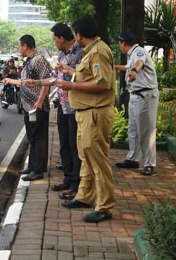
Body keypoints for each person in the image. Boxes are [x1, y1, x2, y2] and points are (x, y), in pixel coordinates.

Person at [54, 16, 116, 223]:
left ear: (79, 35)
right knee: (86, 158)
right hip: (85, 113)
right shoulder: (91, 52)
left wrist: (71, 86)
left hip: (95, 113)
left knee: (98, 161)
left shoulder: (98, 51)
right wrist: (71, 72)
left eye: (75, 34)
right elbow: (89, 77)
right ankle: (85, 195)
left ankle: (105, 206)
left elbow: (103, 84)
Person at [25, 22, 83, 200]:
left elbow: (82, 77)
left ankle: (76, 184)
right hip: (63, 106)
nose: (54, 42)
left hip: (75, 107)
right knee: (64, 145)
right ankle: (68, 179)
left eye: (54, 39)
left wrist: (69, 73)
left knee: (74, 147)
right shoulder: (62, 54)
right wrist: (37, 82)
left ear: (61, 38)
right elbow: (55, 79)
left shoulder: (80, 53)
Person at [2, 34, 51, 181]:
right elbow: (25, 82)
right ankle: (33, 166)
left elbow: (47, 81)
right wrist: (10, 80)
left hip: (37, 106)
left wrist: (40, 100)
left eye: (20, 46)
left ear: (25, 46)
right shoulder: (29, 61)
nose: (19, 49)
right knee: (32, 137)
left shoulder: (38, 60)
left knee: (38, 137)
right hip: (28, 106)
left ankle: (38, 170)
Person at [114, 32, 159, 176]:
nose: (119, 46)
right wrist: (114, 67)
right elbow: (128, 67)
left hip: (145, 95)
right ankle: (133, 159)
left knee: (146, 131)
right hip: (135, 95)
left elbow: (139, 64)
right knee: (133, 129)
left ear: (123, 42)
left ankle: (149, 164)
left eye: (119, 43)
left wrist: (134, 70)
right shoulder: (132, 54)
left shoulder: (139, 52)